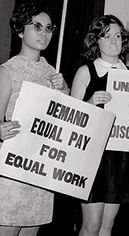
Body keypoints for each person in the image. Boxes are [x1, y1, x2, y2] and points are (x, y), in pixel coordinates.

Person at [0, 1, 69, 236]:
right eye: (37, 26)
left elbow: (66, 121)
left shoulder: (52, 74)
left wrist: (65, 91)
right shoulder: (7, 71)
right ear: (20, 30)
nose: (44, 33)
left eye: (49, 28)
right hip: (12, 170)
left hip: (40, 170)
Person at [71, 14, 129, 236]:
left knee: (107, 227)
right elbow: (70, 118)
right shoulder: (86, 72)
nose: (113, 41)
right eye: (107, 36)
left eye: (118, 35)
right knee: (91, 225)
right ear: (96, 40)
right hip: (92, 156)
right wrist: (90, 103)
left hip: (120, 158)